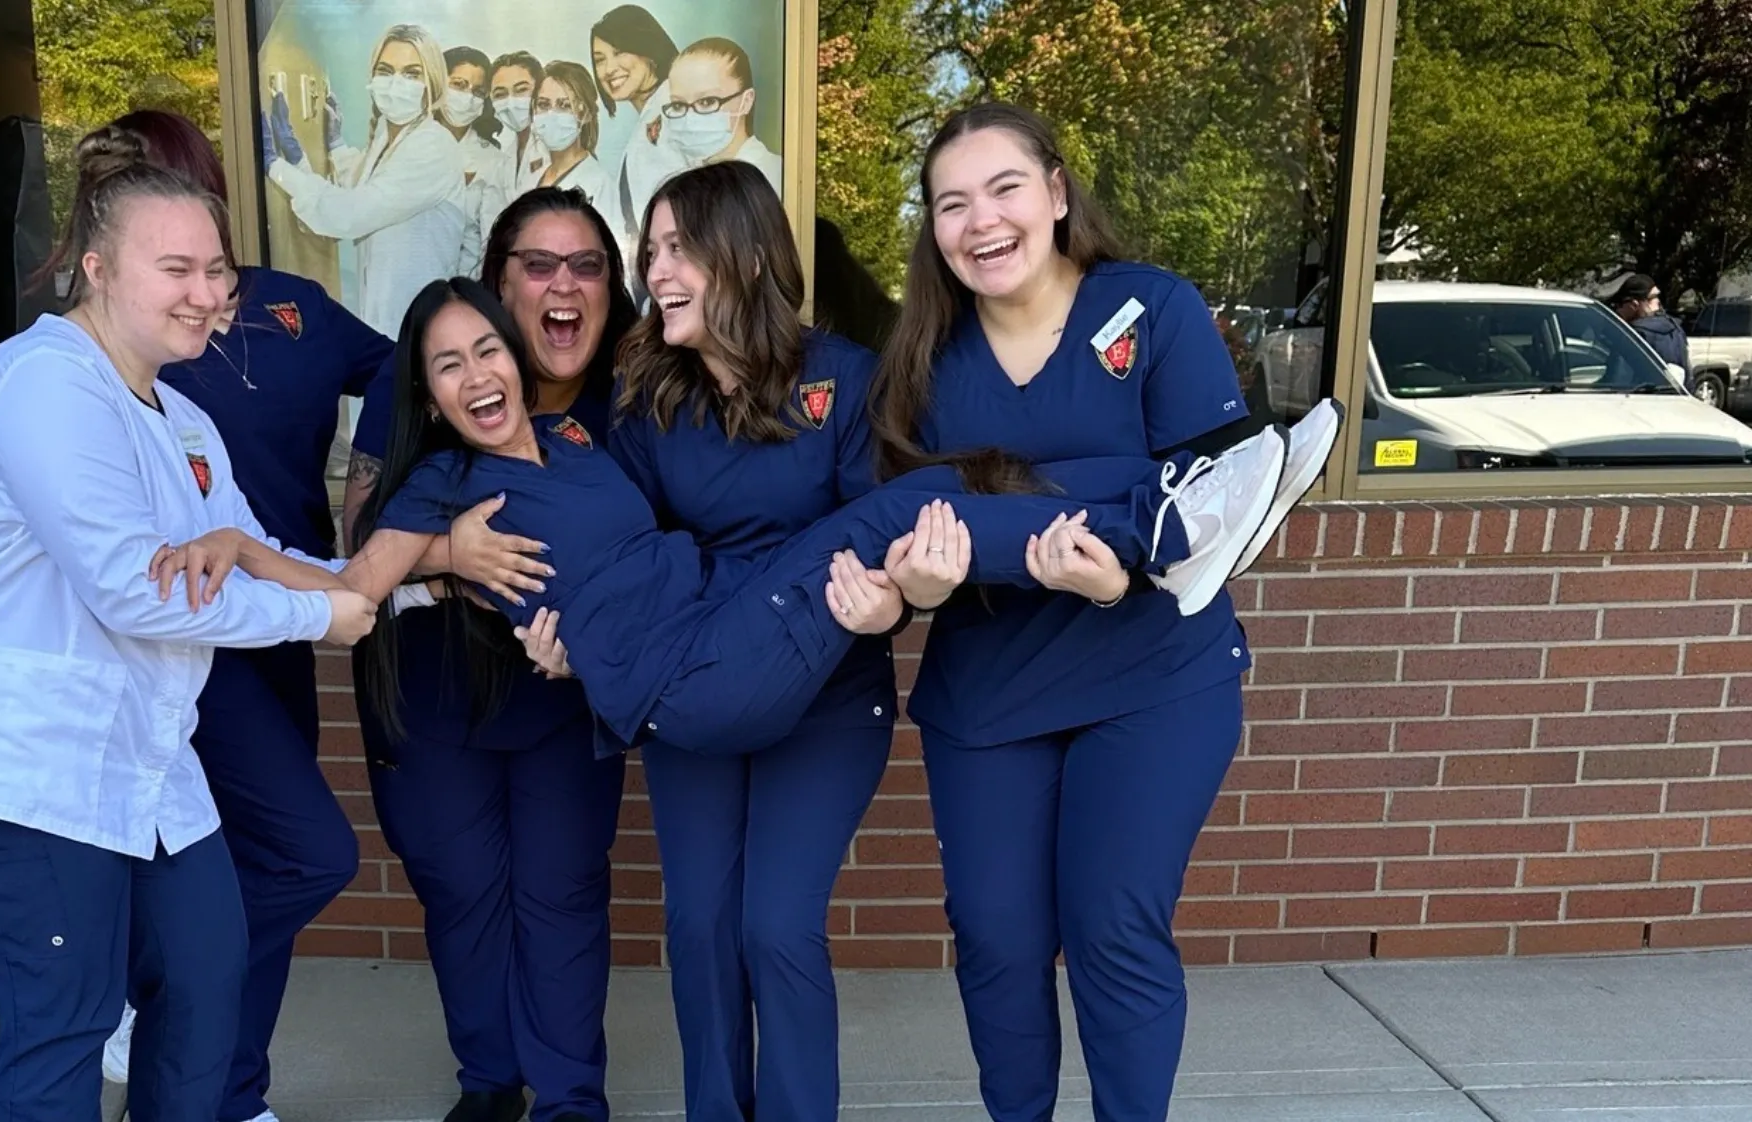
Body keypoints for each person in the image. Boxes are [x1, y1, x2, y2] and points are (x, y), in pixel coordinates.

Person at [0, 128, 376, 1122]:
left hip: (136, 756)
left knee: (205, 968)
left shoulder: (180, 418)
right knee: (65, 1020)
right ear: (95, 269)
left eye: (215, 268)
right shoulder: (45, 380)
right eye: (172, 267)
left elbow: (250, 546)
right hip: (18, 766)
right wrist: (320, 616)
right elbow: (134, 589)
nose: (202, 292)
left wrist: (409, 580)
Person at [865, 101, 1342, 1122]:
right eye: (951, 204)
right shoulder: (922, 360)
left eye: (1002, 189)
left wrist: (1120, 570)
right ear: (932, 230)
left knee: (1112, 924)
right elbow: (903, 535)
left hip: (1155, 679)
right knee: (994, 936)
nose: (980, 221)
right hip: (987, 691)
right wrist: (928, 583)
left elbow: (1216, 502)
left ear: (1054, 192)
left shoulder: (1151, 310)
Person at [322, 278, 1299, 764]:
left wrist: (583, 639)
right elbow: (351, 599)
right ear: (424, 384)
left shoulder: (572, 439)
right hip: (690, 681)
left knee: (945, 484)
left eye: (485, 349)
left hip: (713, 622)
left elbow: (624, 552)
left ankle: (1167, 514)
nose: (474, 375)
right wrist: (239, 550)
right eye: (446, 364)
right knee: (911, 508)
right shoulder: (438, 483)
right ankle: (1166, 532)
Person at [592, 159, 892, 1122]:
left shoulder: (845, 379)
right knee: (701, 924)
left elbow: (880, 539)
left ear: (750, 255)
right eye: (650, 251)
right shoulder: (645, 400)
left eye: (680, 248)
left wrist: (892, 601)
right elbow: (634, 554)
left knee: (776, 926)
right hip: (702, 684)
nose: (656, 270)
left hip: (828, 694)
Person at [336, 187, 638, 1122]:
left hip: (563, 687)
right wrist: (448, 554)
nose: (563, 287)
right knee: (464, 891)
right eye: (539, 266)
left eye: (586, 265)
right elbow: (360, 544)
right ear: (502, 282)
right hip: (434, 682)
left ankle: (569, 1097)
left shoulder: (626, 391)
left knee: (562, 893)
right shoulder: (423, 371)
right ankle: (490, 1081)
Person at [268, 24, 465, 337]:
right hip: (386, 321)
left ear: (432, 83)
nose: (396, 83)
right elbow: (359, 189)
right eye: (385, 70)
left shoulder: (434, 146)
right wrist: (307, 157)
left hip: (419, 326)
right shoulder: (388, 138)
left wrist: (277, 168)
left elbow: (350, 214)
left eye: (412, 73)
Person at [587, 4, 679, 272]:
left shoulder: (674, 110)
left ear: (648, 49)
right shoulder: (648, 119)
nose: (608, 69)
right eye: (599, 59)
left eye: (618, 52)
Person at [659, 40, 780, 192]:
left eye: (707, 101)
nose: (690, 119)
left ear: (746, 101)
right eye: (678, 105)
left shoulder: (774, 178)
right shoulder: (682, 182)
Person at [440, 45, 507, 274]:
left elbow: (490, 244)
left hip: (465, 288)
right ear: (438, 84)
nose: (467, 97)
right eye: (458, 85)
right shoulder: (411, 145)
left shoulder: (492, 161)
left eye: (477, 91)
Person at [530, 62, 609, 205]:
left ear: (586, 114)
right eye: (543, 105)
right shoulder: (534, 173)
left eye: (565, 106)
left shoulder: (598, 185)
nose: (551, 114)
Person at [487, 53, 548, 202]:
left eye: (521, 90)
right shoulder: (505, 159)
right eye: (500, 94)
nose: (510, 102)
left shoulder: (554, 146)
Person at [1612, 273, 1689, 373]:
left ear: (1634, 305)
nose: (1618, 311)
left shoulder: (1634, 336)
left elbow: (1617, 379)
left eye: (1620, 305)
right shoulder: (1675, 329)